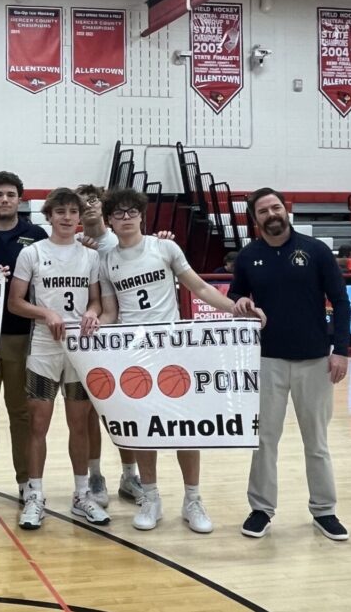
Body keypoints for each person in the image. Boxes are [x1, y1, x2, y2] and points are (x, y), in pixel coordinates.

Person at [99, 188, 264, 534]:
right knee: (144, 429)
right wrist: (88, 332)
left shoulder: (165, 247)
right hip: (134, 353)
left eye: (132, 212)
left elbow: (200, 289)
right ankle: (151, 497)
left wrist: (236, 308)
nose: (126, 218)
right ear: (110, 220)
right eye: (118, 213)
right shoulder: (107, 260)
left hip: (174, 349)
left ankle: (192, 499)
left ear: (142, 216)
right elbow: (111, 312)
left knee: (184, 426)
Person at [230, 187, 351, 542]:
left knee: (317, 441)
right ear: (256, 219)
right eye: (264, 210)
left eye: (276, 207)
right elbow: (237, 293)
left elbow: (341, 302)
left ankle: (324, 510)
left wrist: (340, 349)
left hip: (315, 360)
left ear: (286, 210)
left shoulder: (315, 251)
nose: (272, 214)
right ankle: (261, 508)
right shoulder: (248, 256)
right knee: (265, 439)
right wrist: (239, 302)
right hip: (267, 360)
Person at [8, 188, 109, 530]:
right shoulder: (32, 253)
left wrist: (93, 314)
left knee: (79, 424)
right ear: (48, 216)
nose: (67, 217)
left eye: (72, 212)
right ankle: (35, 494)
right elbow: (15, 302)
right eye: (60, 211)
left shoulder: (90, 256)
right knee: (39, 424)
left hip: (79, 350)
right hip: (44, 347)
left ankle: (82, 495)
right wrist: (45, 312)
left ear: (80, 218)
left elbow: (96, 301)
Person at [0, 171, 46, 506]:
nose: (4, 200)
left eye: (10, 194)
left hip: (21, 336)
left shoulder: (36, 235)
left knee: (20, 413)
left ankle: (24, 481)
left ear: (20, 199)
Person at [74, 183, 140, 507]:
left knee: (121, 409)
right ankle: (95, 474)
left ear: (102, 205)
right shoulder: (73, 244)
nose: (87, 206)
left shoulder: (118, 241)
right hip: (89, 337)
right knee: (87, 412)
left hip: (122, 337)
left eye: (92, 200)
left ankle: (130, 474)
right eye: (80, 202)